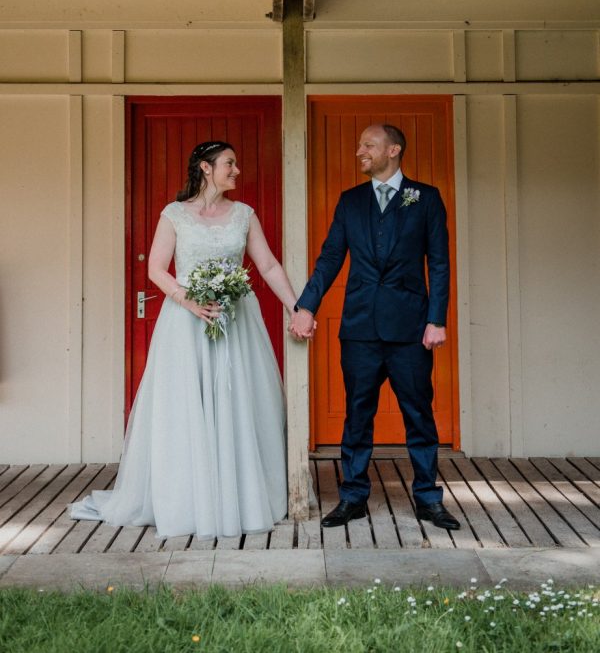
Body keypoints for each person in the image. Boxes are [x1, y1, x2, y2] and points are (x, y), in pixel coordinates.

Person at [71, 141, 298, 539]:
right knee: (186, 409)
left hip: (236, 323)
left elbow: (268, 264)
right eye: (230, 163)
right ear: (206, 169)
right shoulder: (174, 215)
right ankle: (189, 500)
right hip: (186, 325)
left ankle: (241, 497)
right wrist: (189, 301)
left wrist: (297, 307)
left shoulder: (244, 214)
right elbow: (157, 269)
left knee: (237, 403)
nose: (237, 170)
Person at [290, 124, 460, 531]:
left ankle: (428, 499)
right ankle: (353, 497)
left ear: (394, 150)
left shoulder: (425, 198)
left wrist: (437, 319)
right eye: (360, 144)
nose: (359, 151)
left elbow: (438, 263)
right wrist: (306, 307)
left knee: (418, 414)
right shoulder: (350, 202)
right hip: (360, 328)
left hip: (411, 329)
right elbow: (330, 257)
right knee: (357, 415)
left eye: (368, 145)